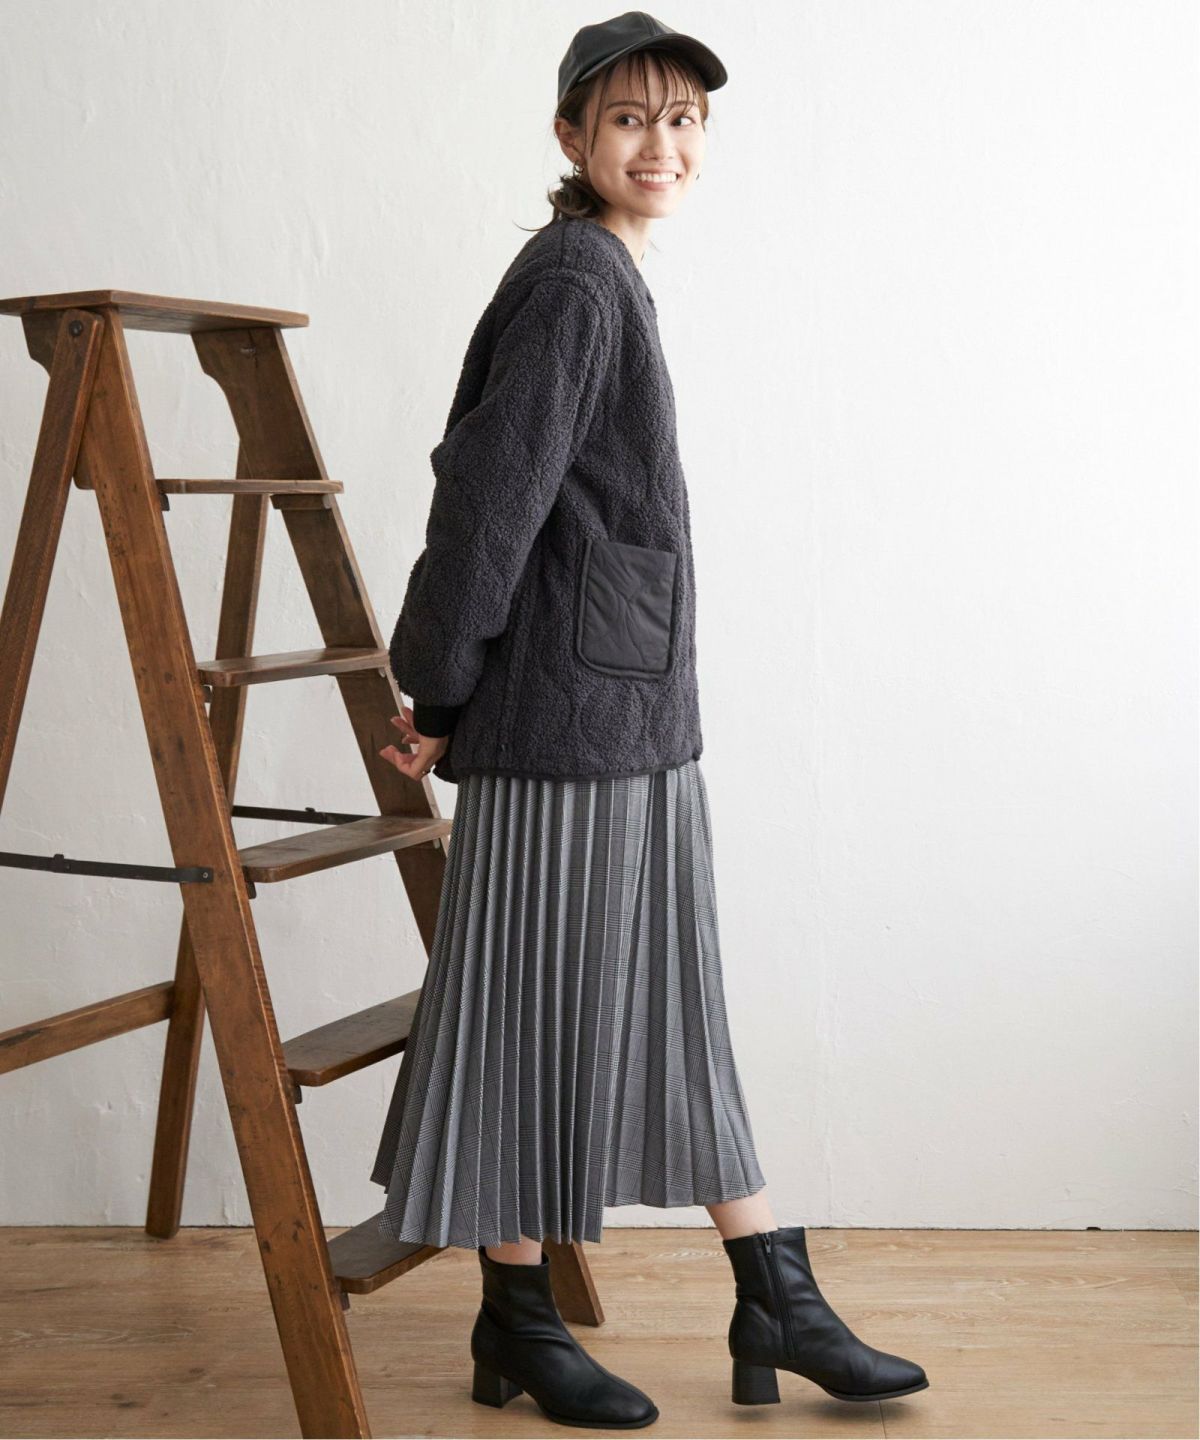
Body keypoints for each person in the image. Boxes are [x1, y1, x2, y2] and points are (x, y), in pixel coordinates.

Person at [370, 11, 929, 1429]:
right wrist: (438, 688)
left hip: (630, 710)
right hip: (564, 717)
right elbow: (489, 501)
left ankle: (771, 1290)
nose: (660, 145)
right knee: (519, 1016)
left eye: (683, 120)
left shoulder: (608, 271)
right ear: (572, 135)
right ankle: (518, 1314)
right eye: (628, 118)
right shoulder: (575, 282)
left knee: (677, 1006)